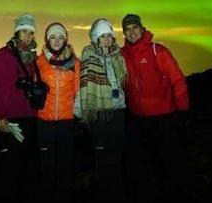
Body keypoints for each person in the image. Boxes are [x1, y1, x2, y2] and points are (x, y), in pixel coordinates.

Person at [120, 13, 191, 197]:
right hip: (138, 118)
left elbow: (178, 81)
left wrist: (182, 110)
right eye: (127, 29)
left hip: (163, 117)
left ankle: (175, 193)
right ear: (124, 34)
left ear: (142, 29)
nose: (132, 32)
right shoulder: (122, 55)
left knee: (169, 161)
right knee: (143, 163)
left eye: (135, 27)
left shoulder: (157, 51)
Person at [0, 13, 41, 200]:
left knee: (27, 166)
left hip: (30, 117)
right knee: (9, 168)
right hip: (9, 119)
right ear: (17, 32)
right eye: (24, 31)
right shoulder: (2, 55)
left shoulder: (34, 57)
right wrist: (0, 116)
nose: (28, 36)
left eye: (31, 32)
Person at [75, 17, 128, 196]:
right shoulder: (89, 55)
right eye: (102, 36)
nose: (107, 39)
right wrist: (80, 111)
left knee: (116, 151)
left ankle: (115, 188)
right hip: (98, 111)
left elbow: (122, 83)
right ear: (96, 38)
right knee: (101, 152)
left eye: (109, 35)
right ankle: (101, 189)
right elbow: (83, 85)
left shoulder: (119, 56)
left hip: (118, 110)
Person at [35, 21, 81, 195]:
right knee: (46, 164)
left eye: (60, 37)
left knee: (65, 164)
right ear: (47, 39)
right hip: (44, 121)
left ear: (65, 40)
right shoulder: (39, 62)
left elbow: (77, 90)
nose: (56, 40)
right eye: (52, 37)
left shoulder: (75, 63)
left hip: (67, 122)